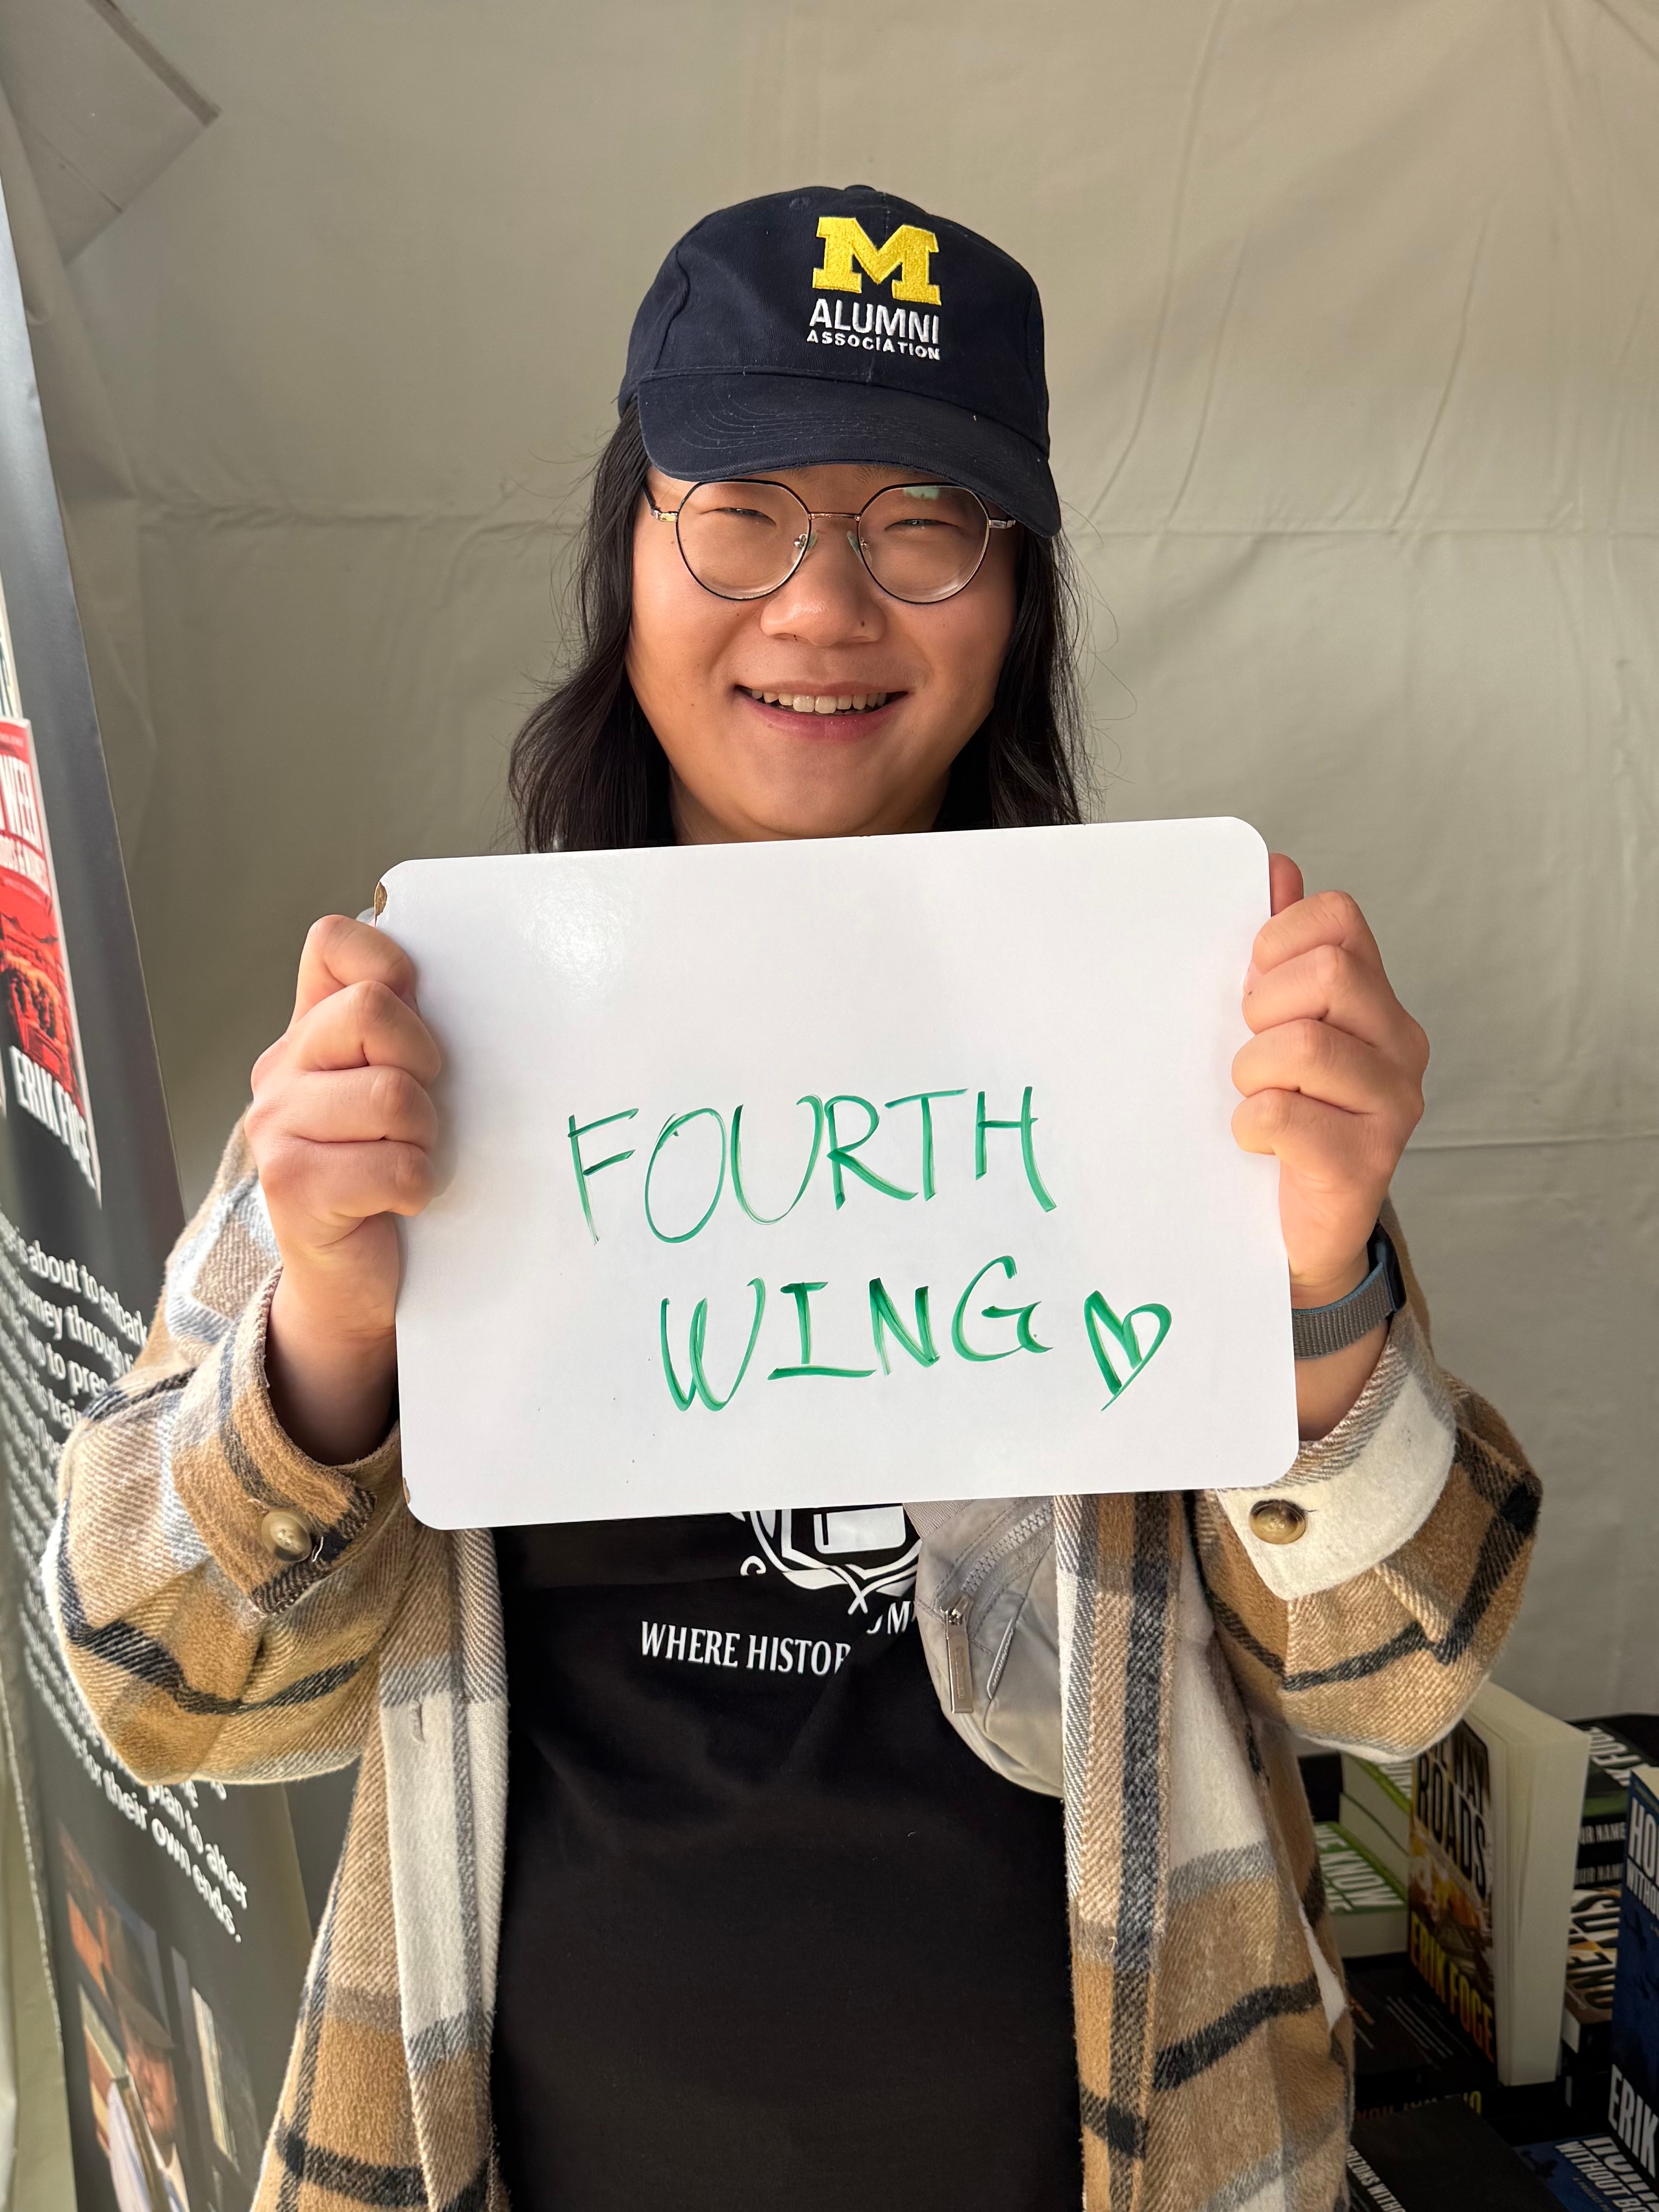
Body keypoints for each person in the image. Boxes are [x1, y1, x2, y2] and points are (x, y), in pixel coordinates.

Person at [45, 187, 1538, 2212]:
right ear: (629, 548)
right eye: (739, 506)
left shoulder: (1166, 1034)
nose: (822, 608)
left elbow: (1393, 1675)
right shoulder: (426, 1036)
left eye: (922, 522)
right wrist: (322, 1324)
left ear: (1013, 593)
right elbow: (163, 1698)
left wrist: (1312, 1286)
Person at [103, 1919, 191, 2212]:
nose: (143, 2079)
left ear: (175, 2079)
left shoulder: (203, 2187)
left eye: (152, 2054)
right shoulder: (123, 2112)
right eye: (133, 2058)